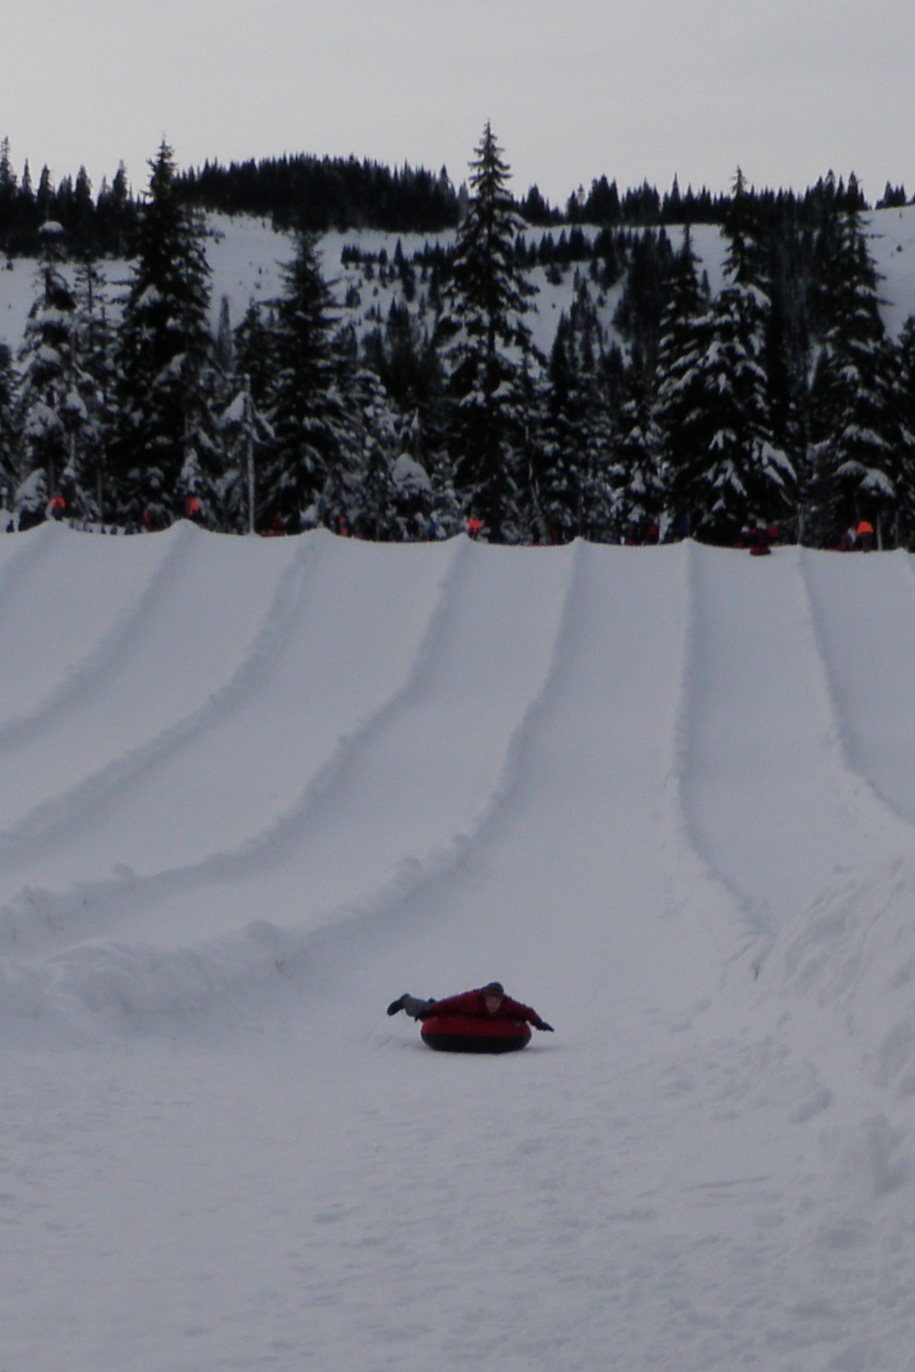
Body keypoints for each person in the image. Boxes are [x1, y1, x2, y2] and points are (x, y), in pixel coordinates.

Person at [387, 981, 553, 1032]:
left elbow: (525, 1011)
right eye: (490, 1000)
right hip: (457, 1010)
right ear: (485, 998)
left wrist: (537, 1022)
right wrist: (431, 1010)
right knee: (429, 1010)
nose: (493, 1004)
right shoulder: (470, 1000)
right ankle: (405, 1001)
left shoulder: (507, 1004)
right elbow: (448, 1004)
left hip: (473, 1018)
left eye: (497, 1001)